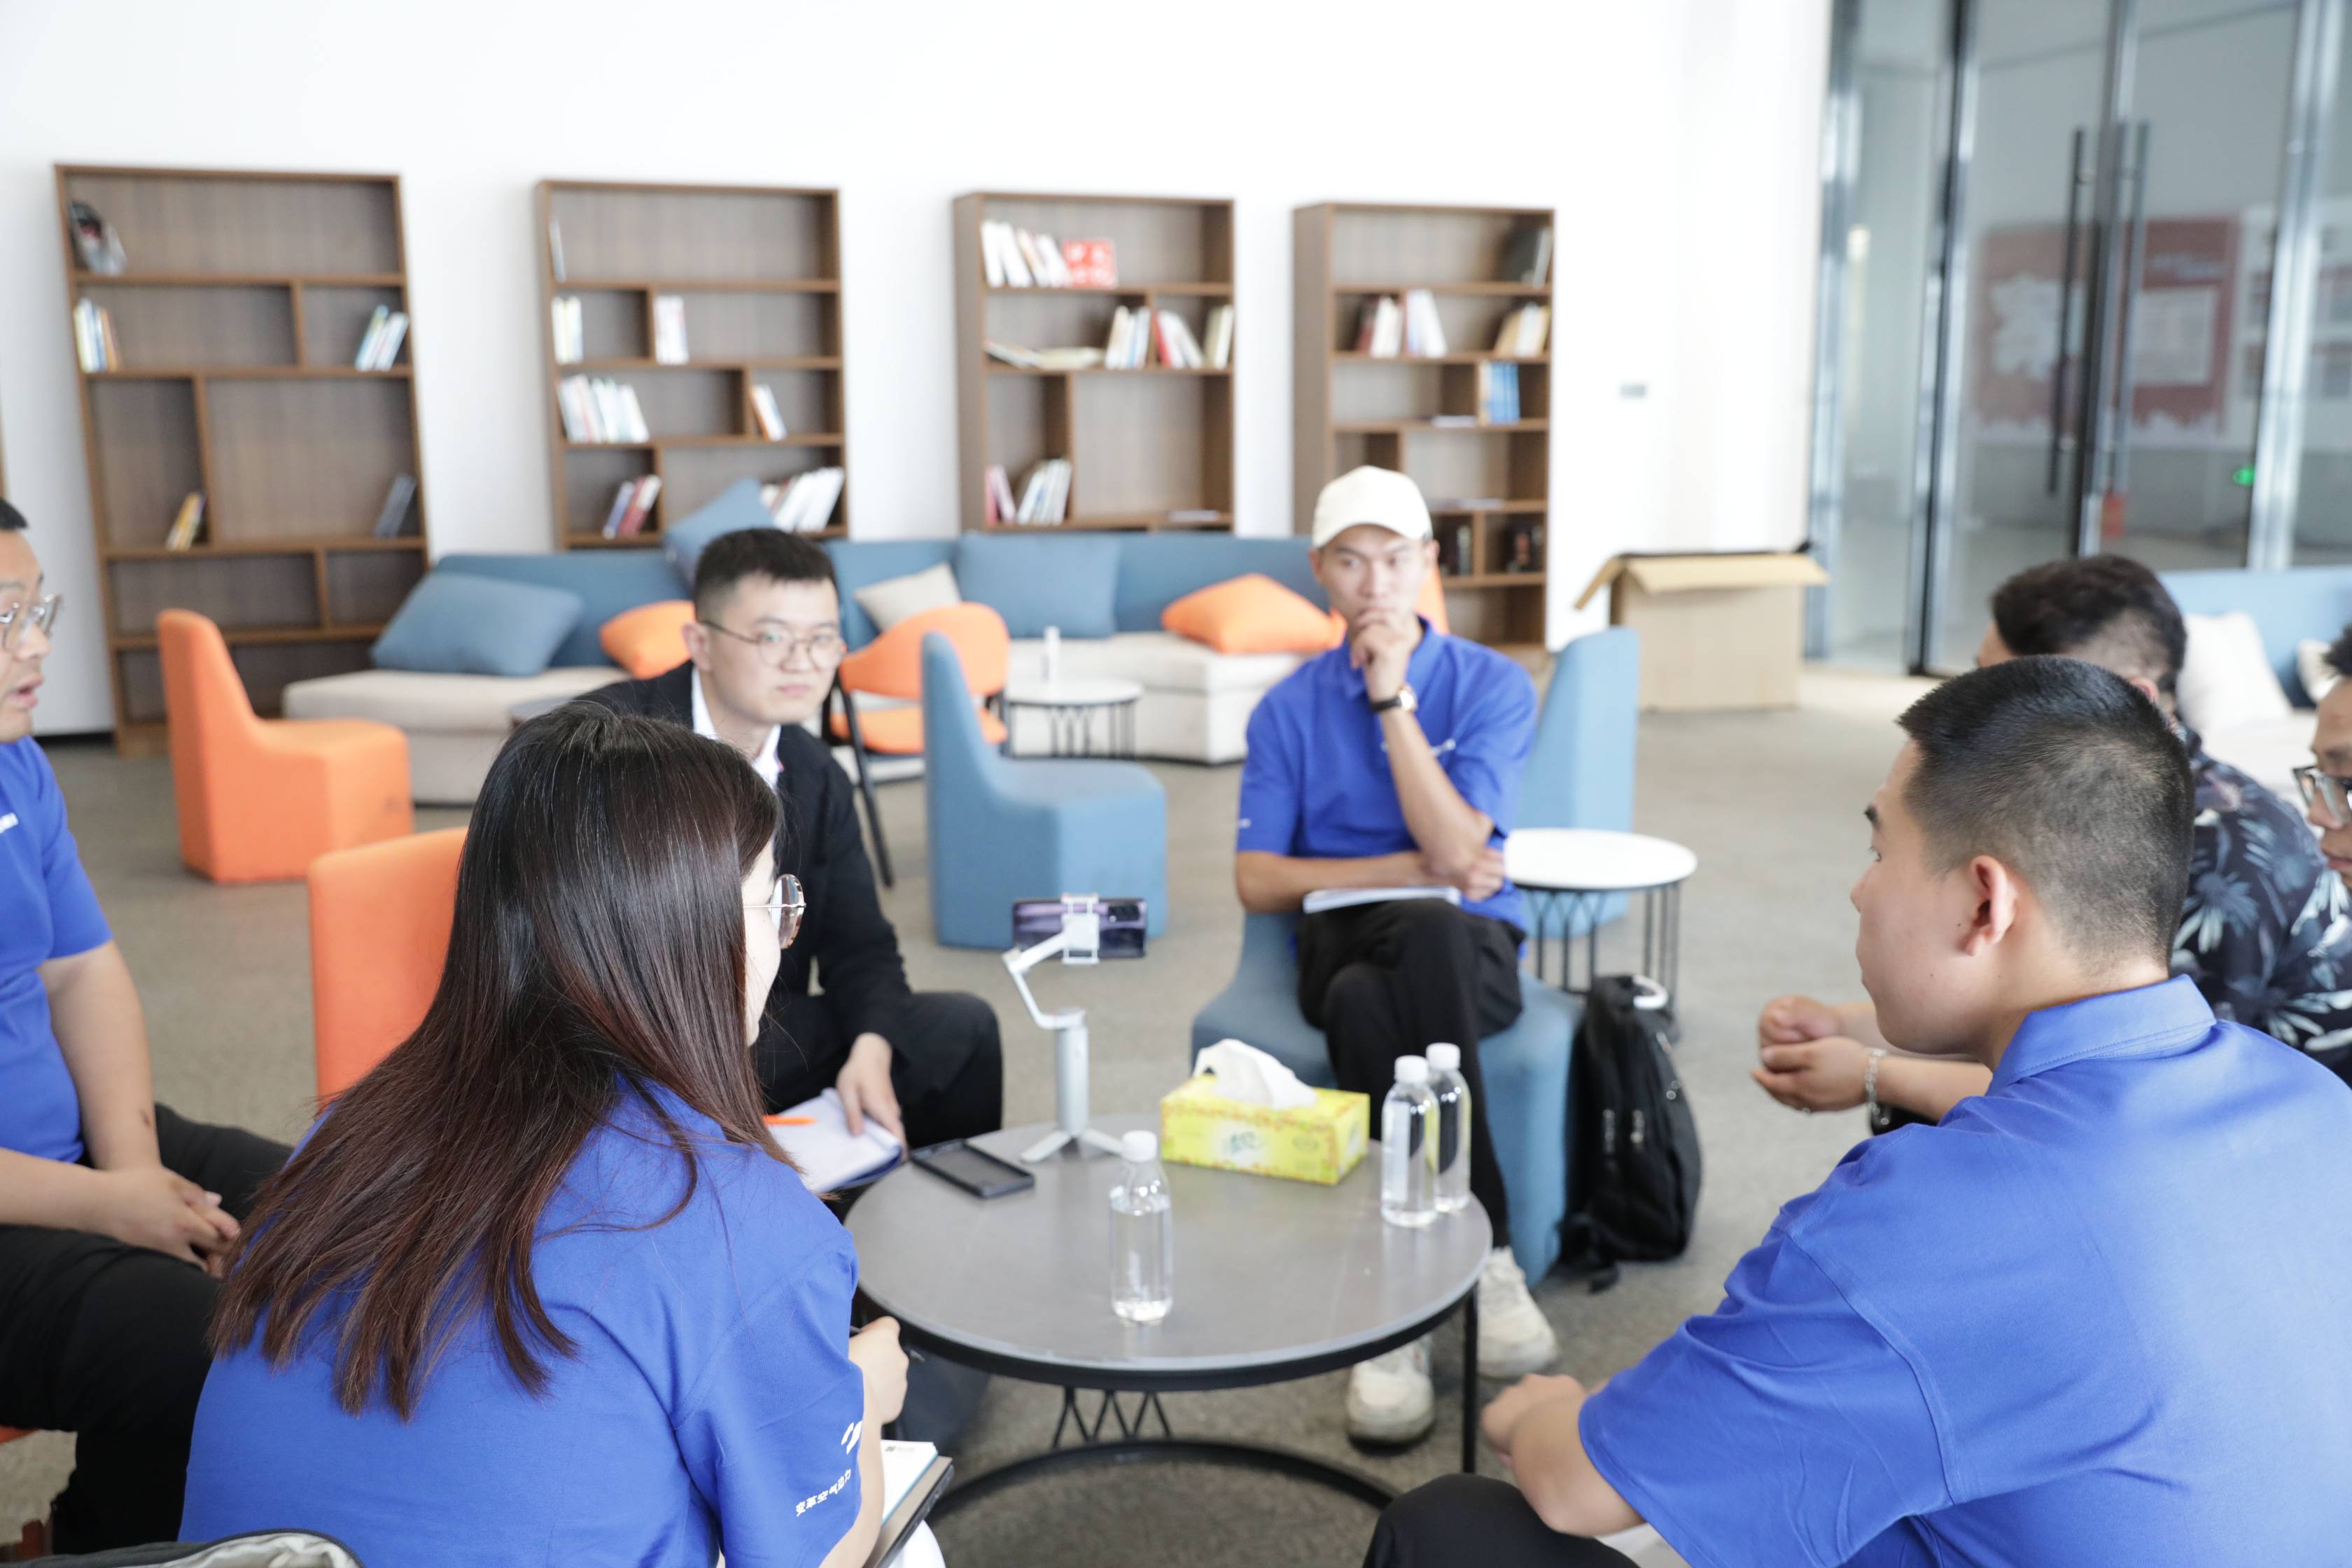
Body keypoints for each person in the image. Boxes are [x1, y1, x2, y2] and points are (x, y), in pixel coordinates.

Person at [1367, 657, 2352, 1566]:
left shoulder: (1939, 1213)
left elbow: (1581, 1489)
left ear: (1985, 905)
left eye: (1880, 849)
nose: (1858, 888)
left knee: (1450, 1527)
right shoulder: (2313, 1099)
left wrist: (1544, 1411)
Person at [181, 706, 909, 1566]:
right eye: (773, 902)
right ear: (686, 936)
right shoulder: (741, 1221)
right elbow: (823, 1553)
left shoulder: (343, 1136)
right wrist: (859, 1401)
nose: (785, 935)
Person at [1756, 554, 2352, 1116]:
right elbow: (2027, 1003)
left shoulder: (2233, 860)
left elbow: (2133, 1091)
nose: (1973, 714)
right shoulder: (2085, 807)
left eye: (2018, 693)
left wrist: (1875, 1074)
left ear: (2133, 698)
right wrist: (1846, 1024)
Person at [1234, 465, 1556, 1448]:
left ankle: (1399, 1297)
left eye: (1394, 558)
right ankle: (1487, 1248)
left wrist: (1391, 701)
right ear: (1319, 569)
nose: (1374, 582)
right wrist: (1410, 867)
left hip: (1469, 948)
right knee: (1413, 929)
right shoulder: (1285, 709)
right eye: (1351, 561)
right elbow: (1256, 878)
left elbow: (1460, 853)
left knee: (1377, 995)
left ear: (1428, 563)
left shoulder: (1492, 684)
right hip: (1341, 930)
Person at [0, 497, 293, 1550]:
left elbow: (83, 971)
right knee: (205, 1342)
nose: (37, 645)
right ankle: (103, 1547)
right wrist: (107, 1205)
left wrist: (134, 1174)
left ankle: (102, 1531)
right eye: (3, 618)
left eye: (38, 610)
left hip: (73, 1153)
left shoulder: (19, 766)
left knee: (337, 1216)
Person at [582, 528, 1002, 1148]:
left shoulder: (816, 773)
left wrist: (871, 1049)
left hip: (758, 1033)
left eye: (822, 638)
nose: (803, 662)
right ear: (701, 643)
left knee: (961, 1032)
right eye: (774, 637)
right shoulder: (603, 747)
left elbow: (862, 946)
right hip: (626, 1045)